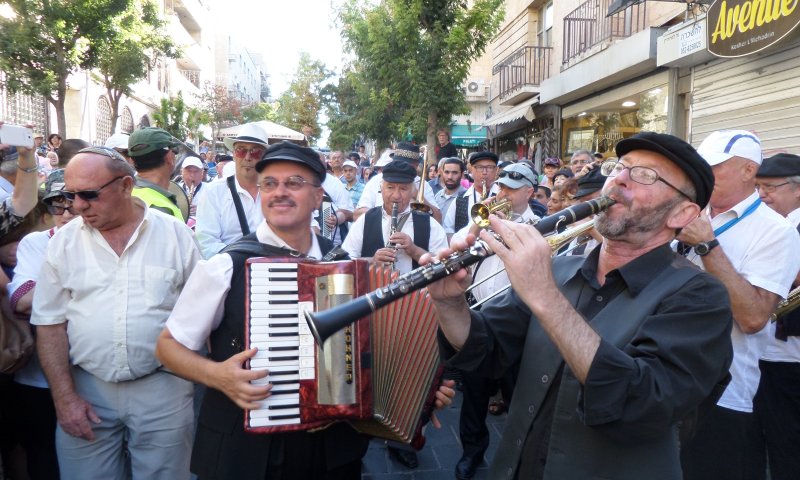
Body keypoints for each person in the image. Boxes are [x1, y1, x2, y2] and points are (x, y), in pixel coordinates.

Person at [427, 131, 734, 479]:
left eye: (645, 175)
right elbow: (487, 347)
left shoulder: (701, 297)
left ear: (683, 213)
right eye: (620, 168)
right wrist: (449, 303)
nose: (618, 179)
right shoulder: (560, 268)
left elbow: (642, 403)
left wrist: (544, 295)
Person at [155, 142, 371, 479]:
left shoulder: (343, 266)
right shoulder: (227, 265)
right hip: (249, 450)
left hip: (331, 447)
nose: (279, 193)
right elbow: (168, 347)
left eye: (294, 183)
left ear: (318, 197)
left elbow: (366, 348)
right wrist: (217, 376)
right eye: (269, 183)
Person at [30, 146, 201, 480]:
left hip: (164, 388)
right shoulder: (63, 243)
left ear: (125, 186)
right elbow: (49, 325)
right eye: (70, 195)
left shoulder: (176, 236)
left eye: (89, 195)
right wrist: (64, 399)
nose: (78, 206)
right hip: (86, 388)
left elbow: (200, 317)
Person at [678, 131, 800, 480]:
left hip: (720, 393)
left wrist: (707, 246)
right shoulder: (687, 209)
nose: (701, 175)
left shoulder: (776, 231)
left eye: (713, 167)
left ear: (749, 171)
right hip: (662, 377)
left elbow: (752, 317)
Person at [449, 162, 540, 479]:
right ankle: (471, 453)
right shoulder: (484, 221)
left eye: (510, 190)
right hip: (480, 314)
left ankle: (521, 455)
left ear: (529, 192)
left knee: (518, 394)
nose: (501, 194)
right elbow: (455, 249)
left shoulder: (541, 225)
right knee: (473, 395)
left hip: (517, 324)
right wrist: (479, 226)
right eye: (500, 188)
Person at [4, 169, 75, 480]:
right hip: (38, 378)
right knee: (42, 456)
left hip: (95, 378)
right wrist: (86, 286)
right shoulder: (37, 242)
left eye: (73, 202)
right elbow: (21, 299)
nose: (66, 212)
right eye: (57, 205)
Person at [750, 153, 800, 480]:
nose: (762, 195)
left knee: (787, 443)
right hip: (767, 350)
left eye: (770, 187)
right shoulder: (771, 224)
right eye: (758, 187)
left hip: (790, 354)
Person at [343, 160, 448, 273]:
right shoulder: (365, 220)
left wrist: (414, 250)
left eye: (403, 189)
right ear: (381, 188)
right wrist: (372, 261)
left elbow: (445, 265)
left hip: (417, 290)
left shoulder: (430, 224)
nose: (396, 196)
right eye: (390, 187)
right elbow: (345, 262)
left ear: (412, 191)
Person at [195, 124, 269, 258]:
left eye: (255, 152)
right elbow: (206, 243)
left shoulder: (276, 192)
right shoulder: (214, 192)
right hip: (228, 272)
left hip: (270, 271)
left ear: (264, 157)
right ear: (234, 154)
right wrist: (243, 261)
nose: (247, 157)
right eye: (241, 150)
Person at [354, 142, 441, 222]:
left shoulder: (423, 185)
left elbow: (438, 218)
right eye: (398, 162)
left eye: (407, 165)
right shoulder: (377, 180)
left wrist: (417, 196)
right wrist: (385, 214)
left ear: (416, 165)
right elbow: (357, 215)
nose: (401, 167)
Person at [127, 127, 186, 221]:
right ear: (169, 157)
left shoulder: (126, 193)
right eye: (175, 151)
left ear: (132, 161)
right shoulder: (162, 210)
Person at [443, 151, 499, 238]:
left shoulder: (502, 195)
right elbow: (448, 230)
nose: (484, 172)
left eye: (490, 167)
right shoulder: (459, 199)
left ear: (496, 171)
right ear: (471, 170)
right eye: (479, 167)